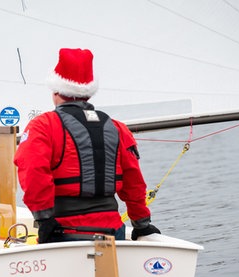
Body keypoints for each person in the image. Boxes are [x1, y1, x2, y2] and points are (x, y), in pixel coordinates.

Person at [13, 48, 161, 243]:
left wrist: (44, 220)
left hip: (64, 232)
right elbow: (134, 181)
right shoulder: (117, 128)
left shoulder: (43, 125)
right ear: (88, 94)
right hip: (113, 232)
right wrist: (141, 224)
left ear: (56, 90)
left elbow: (33, 172)